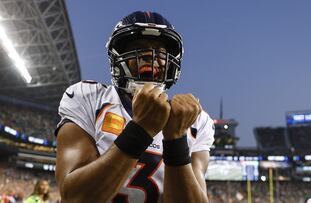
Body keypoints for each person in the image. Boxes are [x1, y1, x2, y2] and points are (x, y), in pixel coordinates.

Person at [55, 11, 215, 203]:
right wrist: (140, 130)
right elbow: (75, 198)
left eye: (161, 51)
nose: (151, 56)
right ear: (117, 57)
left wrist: (176, 140)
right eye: (139, 48)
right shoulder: (88, 97)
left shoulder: (195, 120)